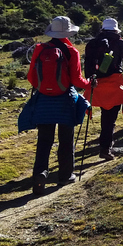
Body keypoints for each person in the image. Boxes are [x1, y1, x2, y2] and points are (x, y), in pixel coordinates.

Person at [26, 16, 91, 193]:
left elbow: (31, 76)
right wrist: (89, 84)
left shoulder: (39, 49)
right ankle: (65, 176)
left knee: (44, 141)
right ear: (68, 32)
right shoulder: (72, 52)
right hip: (64, 101)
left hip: (43, 102)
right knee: (66, 139)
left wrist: (45, 89)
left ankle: (40, 175)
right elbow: (77, 80)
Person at [84, 18, 123, 160]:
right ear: (115, 30)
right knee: (110, 119)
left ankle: (105, 146)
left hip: (97, 84)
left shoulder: (92, 43)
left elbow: (87, 65)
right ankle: (105, 149)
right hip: (114, 84)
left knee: (105, 115)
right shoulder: (120, 42)